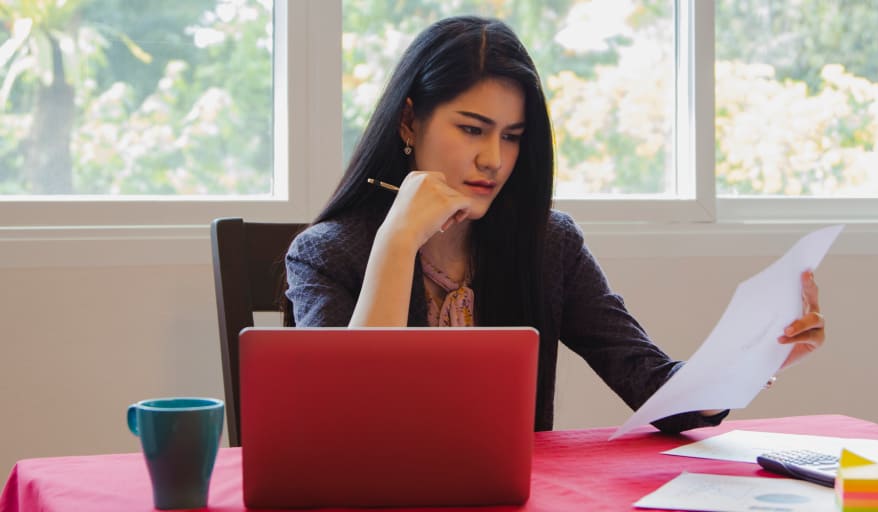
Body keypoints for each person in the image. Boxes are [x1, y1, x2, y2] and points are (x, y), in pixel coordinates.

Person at [285, 16, 825, 432]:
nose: (494, 159)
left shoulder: (549, 244)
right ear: (409, 120)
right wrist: (398, 241)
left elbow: (653, 388)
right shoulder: (325, 254)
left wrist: (755, 356)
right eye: (473, 130)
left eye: (512, 136)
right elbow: (346, 422)